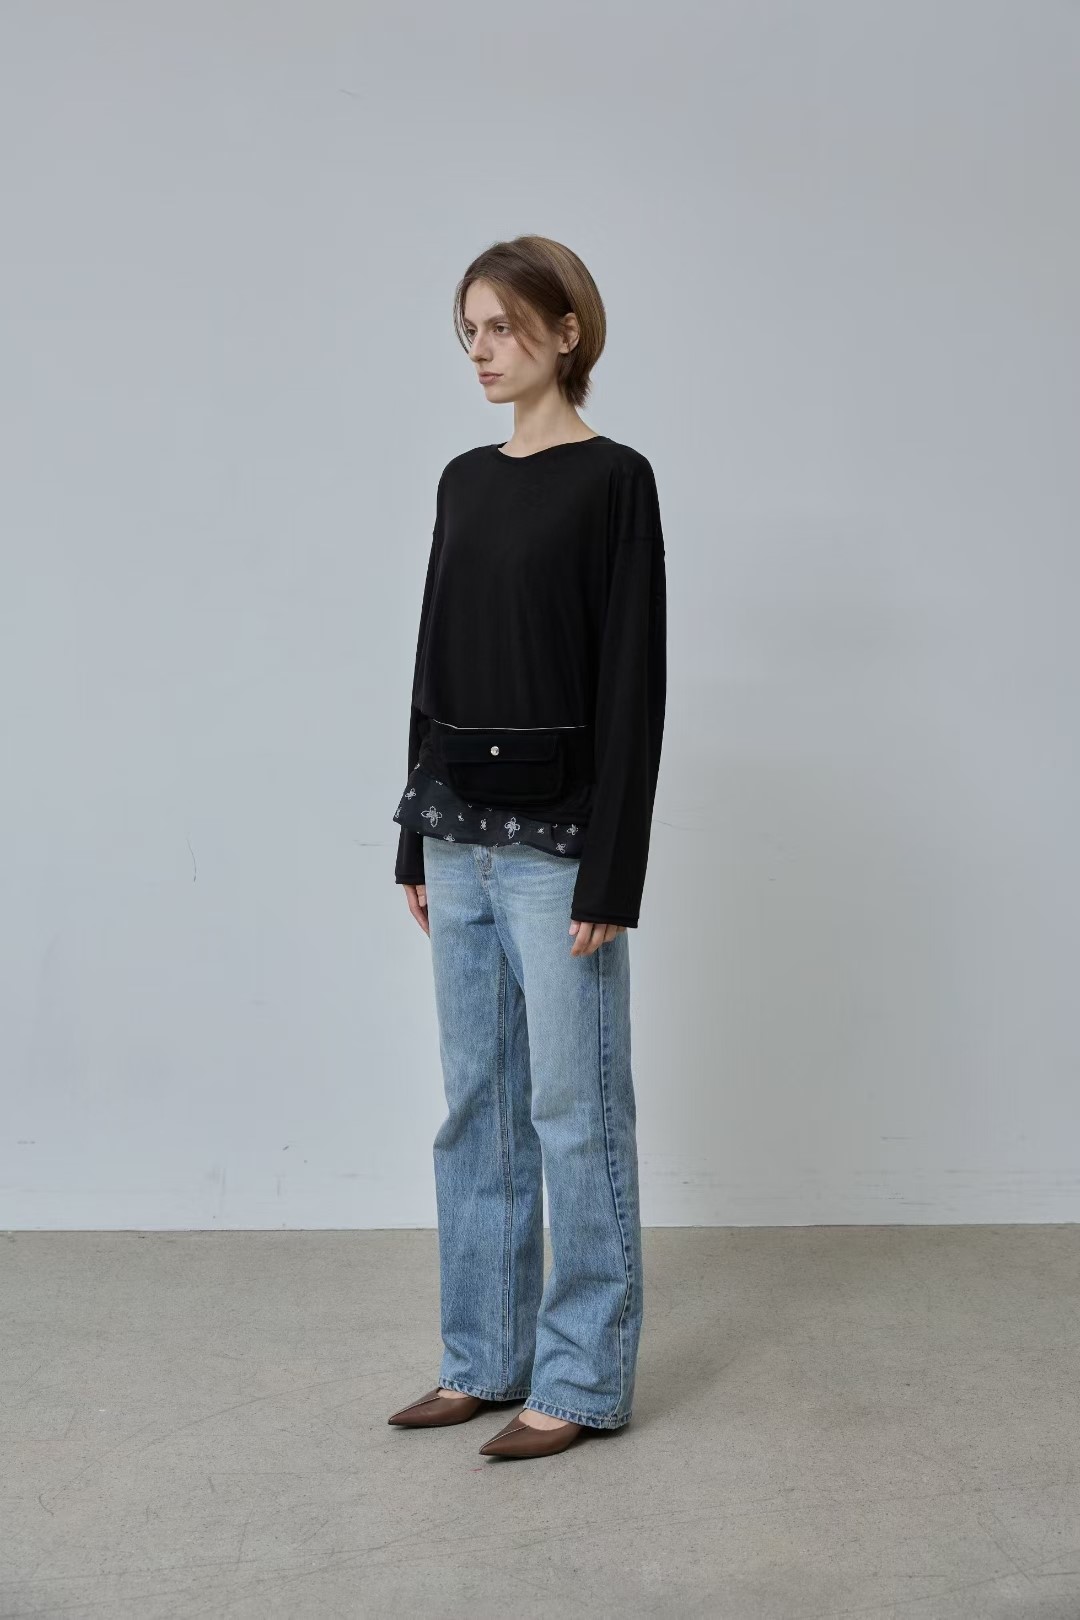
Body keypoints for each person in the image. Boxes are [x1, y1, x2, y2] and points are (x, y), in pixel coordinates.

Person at [388, 234, 667, 1460]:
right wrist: (411, 835)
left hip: (560, 847)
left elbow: (633, 688)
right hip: (457, 833)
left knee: (575, 1108)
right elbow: (432, 657)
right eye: (469, 332)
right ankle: (482, 1360)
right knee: (478, 1107)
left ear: (566, 331)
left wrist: (614, 872)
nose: (482, 352)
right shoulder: (463, 481)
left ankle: (582, 1380)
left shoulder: (614, 481)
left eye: (501, 326)